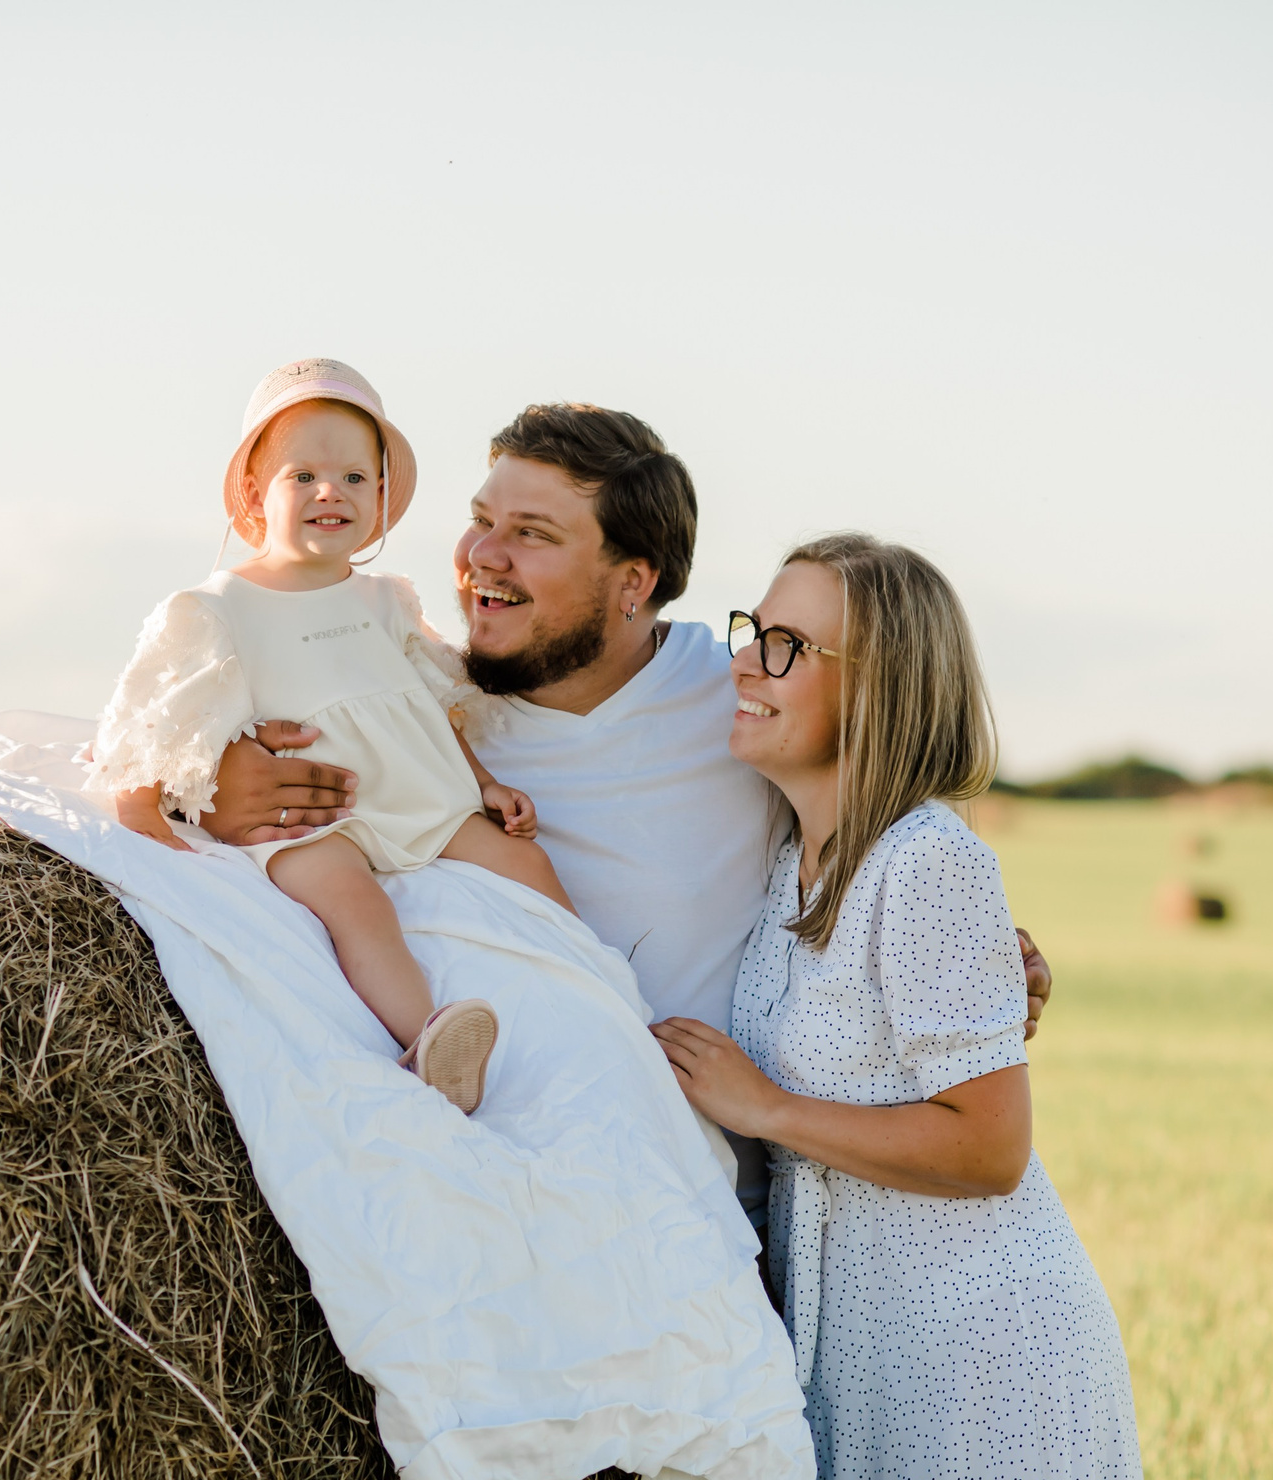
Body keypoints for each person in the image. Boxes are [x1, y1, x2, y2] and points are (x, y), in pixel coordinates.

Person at [195, 403, 1051, 1203]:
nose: (480, 555)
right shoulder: (410, 716)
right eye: (482, 519)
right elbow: (175, 779)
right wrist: (211, 798)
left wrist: (987, 964)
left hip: (732, 1216)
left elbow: (884, 844)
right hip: (519, 1205)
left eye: (530, 534)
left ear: (632, 582)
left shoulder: (744, 702)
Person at [653, 534, 1172, 1480]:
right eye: (750, 630)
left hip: (979, 1358)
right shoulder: (793, 858)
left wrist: (768, 1106)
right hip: (862, 1357)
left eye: (786, 645)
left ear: (875, 684)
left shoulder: (926, 860)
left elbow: (990, 1145)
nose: (749, 661)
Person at [89, 360, 570, 1113]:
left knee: (524, 860)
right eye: (303, 474)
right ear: (255, 495)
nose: (329, 492)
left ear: (380, 498)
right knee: (354, 903)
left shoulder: (385, 600)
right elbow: (162, 721)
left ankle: (596, 987)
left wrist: (483, 784)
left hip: (420, 793)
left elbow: (433, 706)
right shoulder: (220, 607)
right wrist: (148, 818)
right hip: (320, 817)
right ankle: (432, 1036)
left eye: (353, 476)